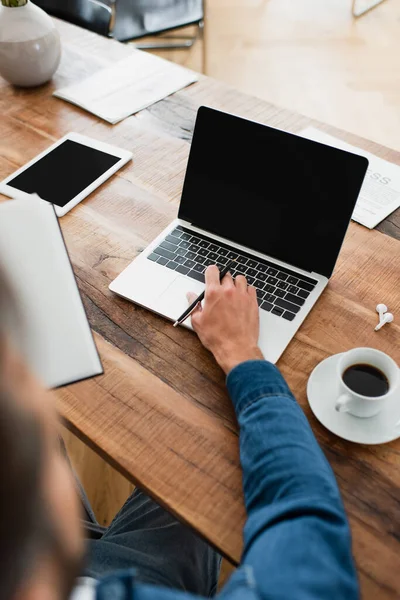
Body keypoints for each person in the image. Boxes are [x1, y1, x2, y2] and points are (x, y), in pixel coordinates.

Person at [0, 264, 359, 600]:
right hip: (115, 569)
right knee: (214, 453)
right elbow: (307, 532)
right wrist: (239, 351)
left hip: (57, 562)